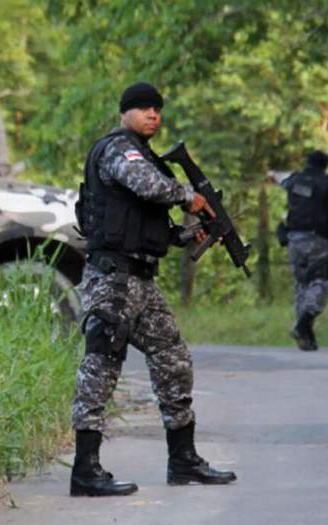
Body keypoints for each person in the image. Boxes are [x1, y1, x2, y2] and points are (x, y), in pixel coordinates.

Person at [70, 82, 237, 497]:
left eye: (158, 109)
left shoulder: (149, 159)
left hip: (141, 280)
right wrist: (190, 197)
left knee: (174, 358)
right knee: (102, 366)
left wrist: (191, 235)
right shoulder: (118, 150)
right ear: (125, 112)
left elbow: (153, 226)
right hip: (112, 279)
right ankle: (84, 470)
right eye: (144, 108)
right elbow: (145, 185)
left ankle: (183, 460)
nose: (153, 115)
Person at [277, 150, 328, 351]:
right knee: (319, 282)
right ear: (325, 166)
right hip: (318, 240)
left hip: (294, 239)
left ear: (308, 163)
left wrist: (269, 174)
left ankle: (305, 336)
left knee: (302, 284)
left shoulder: (294, 179)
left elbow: (277, 177)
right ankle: (303, 324)